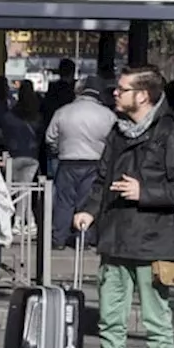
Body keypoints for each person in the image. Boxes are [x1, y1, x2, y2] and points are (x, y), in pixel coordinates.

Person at [74, 65, 174, 348]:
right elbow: (103, 180)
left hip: (157, 244)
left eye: (122, 89)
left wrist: (144, 192)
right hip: (116, 240)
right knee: (110, 320)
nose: (115, 94)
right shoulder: (118, 132)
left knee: (156, 321)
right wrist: (89, 210)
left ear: (143, 95)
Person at [45, 77, 116, 249]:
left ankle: (58, 239)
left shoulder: (63, 111)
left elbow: (50, 138)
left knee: (64, 201)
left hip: (67, 161)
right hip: (94, 162)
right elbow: (114, 141)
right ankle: (83, 239)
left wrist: (58, 149)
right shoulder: (107, 115)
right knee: (87, 202)